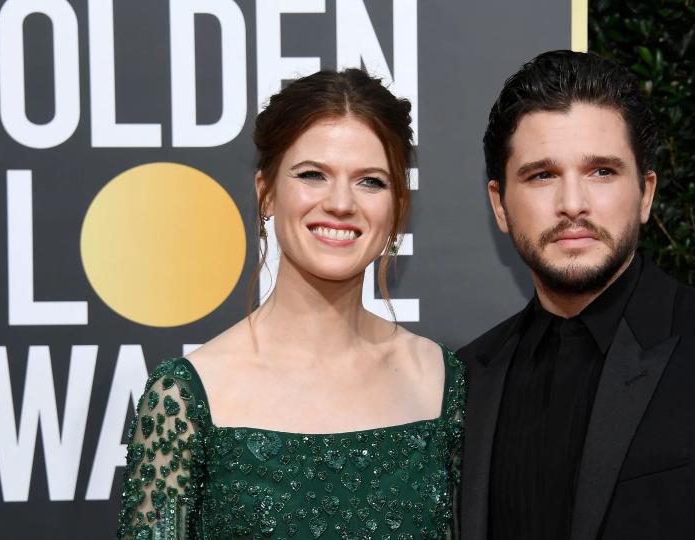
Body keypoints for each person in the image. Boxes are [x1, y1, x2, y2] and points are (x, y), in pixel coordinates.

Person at [458, 50, 695, 539]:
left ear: (646, 193)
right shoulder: (466, 380)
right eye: (542, 175)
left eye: (602, 172)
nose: (573, 204)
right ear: (500, 205)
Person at [115, 69, 465, 540]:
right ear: (266, 193)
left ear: (398, 206)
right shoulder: (185, 399)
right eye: (313, 175)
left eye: (371, 182)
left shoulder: (441, 381)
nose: (341, 203)